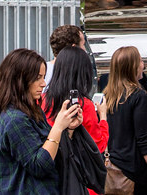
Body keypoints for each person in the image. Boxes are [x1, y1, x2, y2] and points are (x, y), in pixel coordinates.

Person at [0, 48, 82, 193]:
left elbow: (51, 154)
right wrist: (58, 127)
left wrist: (67, 129)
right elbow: (40, 165)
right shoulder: (15, 120)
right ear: (20, 80)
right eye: (38, 77)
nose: (44, 83)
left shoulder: (31, 111)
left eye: (43, 77)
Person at [40, 47, 106, 194]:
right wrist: (103, 118)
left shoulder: (42, 101)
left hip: (52, 178)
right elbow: (98, 145)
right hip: (80, 181)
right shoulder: (84, 105)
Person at [102, 46, 147, 195]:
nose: (143, 65)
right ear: (132, 67)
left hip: (111, 165)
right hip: (134, 170)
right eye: (140, 60)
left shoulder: (107, 97)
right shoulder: (139, 97)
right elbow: (143, 138)